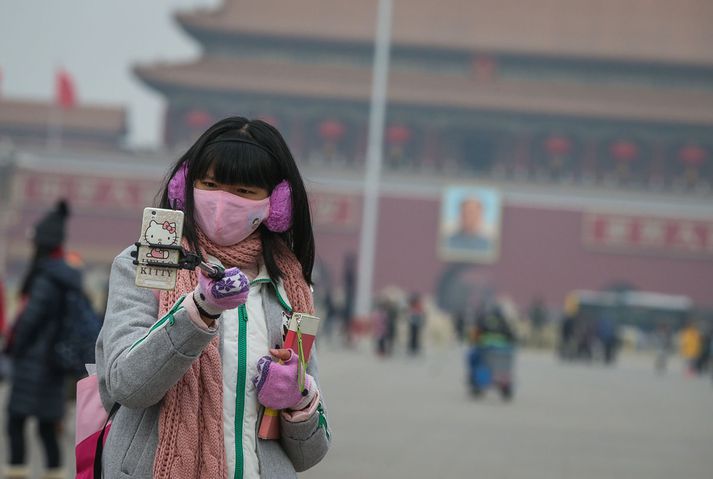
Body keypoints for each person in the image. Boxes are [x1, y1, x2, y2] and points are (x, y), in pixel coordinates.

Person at [95, 117, 330, 479]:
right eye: (210, 184)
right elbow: (127, 384)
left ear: (277, 203)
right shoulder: (144, 265)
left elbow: (309, 455)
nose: (224, 201)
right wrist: (196, 313)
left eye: (244, 191)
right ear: (183, 186)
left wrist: (299, 400)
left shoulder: (290, 289)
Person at [4, 200, 79, 479]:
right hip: (54, 363)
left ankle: (17, 472)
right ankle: (54, 473)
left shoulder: (45, 278)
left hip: (35, 363)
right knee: (48, 427)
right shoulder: (66, 275)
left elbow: (29, 321)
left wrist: (14, 348)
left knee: (16, 422)